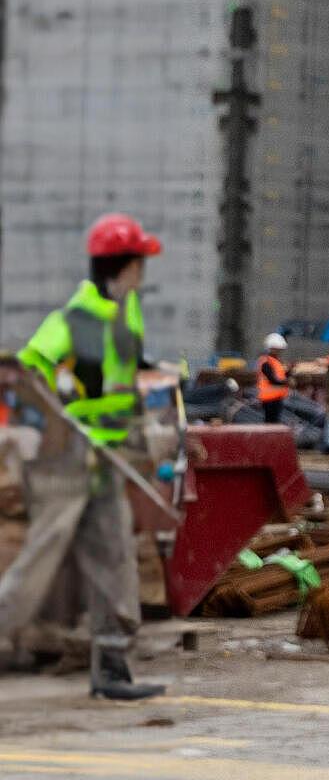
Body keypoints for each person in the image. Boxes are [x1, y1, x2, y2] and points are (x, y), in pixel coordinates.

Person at [0, 212, 172, 699]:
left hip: (106, 456)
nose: (142, 272)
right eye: (139, 263)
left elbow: (123, 369)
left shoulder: (127, 311)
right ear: (126, 265)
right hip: (69, 457)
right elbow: (27, 370)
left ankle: (111, 670)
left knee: (115, 557)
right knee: (40, 559)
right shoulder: (73, 320)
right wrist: (62, 405)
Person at [254, 334, 292, 425]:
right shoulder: (265, 362)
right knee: (270, 423)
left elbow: (281, 376)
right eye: (277, 349)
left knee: (274, 422)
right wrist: (287, 382)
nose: (279, 351)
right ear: (270, 348)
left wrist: (289, 371)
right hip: (269, 399)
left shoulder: (275, 361)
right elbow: (272, 380)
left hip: (277, 398)